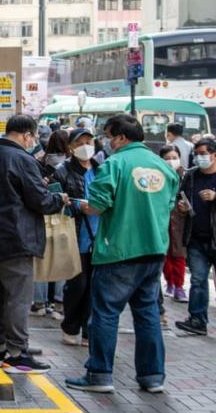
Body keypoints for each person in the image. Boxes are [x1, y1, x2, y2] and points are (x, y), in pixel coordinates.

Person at [66, 114, 179, 394]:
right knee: (148, 314)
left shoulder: (114, 164)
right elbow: (170, 203)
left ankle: (100, 374)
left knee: (105, 314)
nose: (106, 141)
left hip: (118, 251)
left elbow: (97, 206)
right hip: (154, 250)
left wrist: (78, 205)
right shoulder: (163, 167)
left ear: (121, 137)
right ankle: (153, 377)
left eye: (108, 135)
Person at [0, 114, 68, 374]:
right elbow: (40, 201)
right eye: (34, 136)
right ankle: (17, 353)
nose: (34, 141)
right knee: (18, 297)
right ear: (26, 135)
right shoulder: (23, 160)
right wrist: (59, 199)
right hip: (16, 238)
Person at [52, 127, 100, 346]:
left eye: (89, 141)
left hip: (100, 235)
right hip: (75, 233)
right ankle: (70, 326)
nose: (85, 146)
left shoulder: (102, 169)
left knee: (95, 285)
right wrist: (75, 205)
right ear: (70, 147)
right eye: (80, 143)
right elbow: (53, 199)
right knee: (77, 285)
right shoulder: (62, 170)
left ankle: (89, 331)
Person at [174, 138, 216, 335]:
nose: (199, 158)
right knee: (198, 280)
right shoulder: (190, 175)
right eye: (197, 154)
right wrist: (182, 207)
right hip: (196, 237)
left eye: (203, 154)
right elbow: (180, 196)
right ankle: (197, 319)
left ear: (214, 155)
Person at [32, 129, 70, 320]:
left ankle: (39, 303)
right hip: (64, 216)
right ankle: (59, 304)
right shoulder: (71, 165)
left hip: (44, 215)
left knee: (42, 260)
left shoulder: (39, 162)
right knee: (61, 260)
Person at [159, 146, 188, 304]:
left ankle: (179, 286)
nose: (171, 161)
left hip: (180, 221)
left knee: (179, 254)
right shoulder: (156, 176)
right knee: (165, 254)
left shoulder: (186, 176)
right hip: (162, 220)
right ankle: (169, 282)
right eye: (167, 157)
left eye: (174, 157)